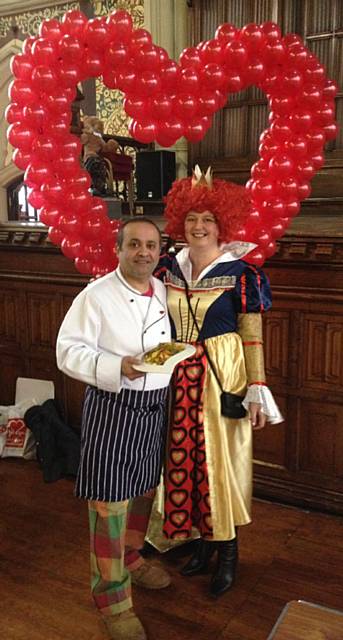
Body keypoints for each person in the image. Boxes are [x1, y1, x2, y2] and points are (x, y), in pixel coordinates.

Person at [154, 166, 282, 597]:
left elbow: (251, 335)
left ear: (221, 224)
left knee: (218, 467)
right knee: (184, 461)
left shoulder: (243, 272)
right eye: (191, 218)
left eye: (207, 219)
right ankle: (202, 547)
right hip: (178, 377)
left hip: (222, 377)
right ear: (180, 222)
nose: (198, 226)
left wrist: (256, 390)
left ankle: (228, 553)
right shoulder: (168, 267)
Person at [56, 217, 172, 640]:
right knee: (109, 506)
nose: (144, 252)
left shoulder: (161, 290)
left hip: (154, 408)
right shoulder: (97, 295)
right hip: (114, 408)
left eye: (151, 246)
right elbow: (66, 352)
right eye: (135, 245)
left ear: (160, 252)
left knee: (143, 493)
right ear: (119, 249)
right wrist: (115, 366)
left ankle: (133, 558)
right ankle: (113, 601)